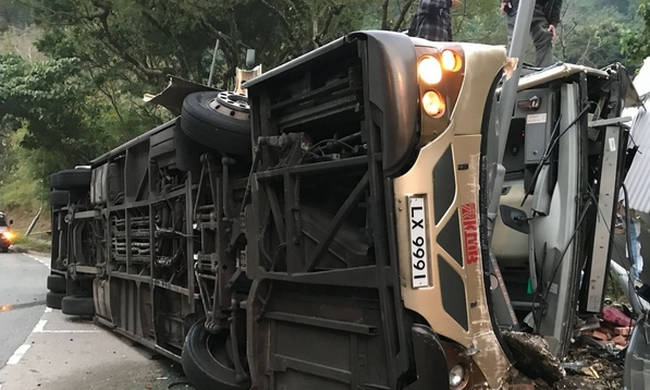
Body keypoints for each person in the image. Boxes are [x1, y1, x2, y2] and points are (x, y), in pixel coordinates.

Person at [500, 0, 562, 67]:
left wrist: (553, 22)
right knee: (515, 40)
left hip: (539, 7)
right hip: (518, 5)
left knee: (544, 37)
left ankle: (546, 70)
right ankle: (511, 72)